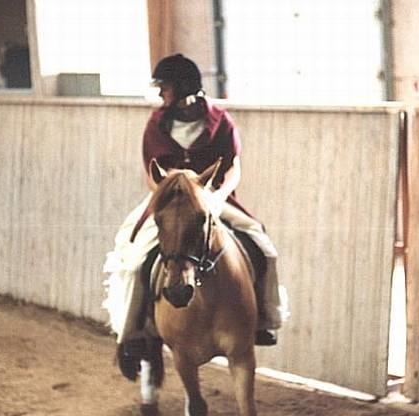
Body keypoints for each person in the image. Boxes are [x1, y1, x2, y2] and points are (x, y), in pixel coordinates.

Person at [103, 54, 287, 349]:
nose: (160, 92)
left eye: (165, 87)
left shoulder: (220, 121)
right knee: (135, 260)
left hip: (211, 200)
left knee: (265, 248)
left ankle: (265, 319)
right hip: (168, 202)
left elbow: (233, 167)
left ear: (182, 88)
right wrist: (162, 195)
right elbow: (151, 171)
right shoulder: (156, 123)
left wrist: (216, 196)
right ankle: (134, 329)